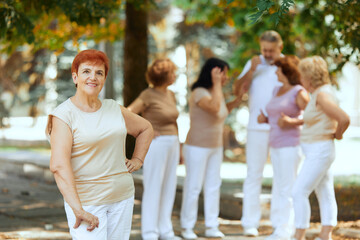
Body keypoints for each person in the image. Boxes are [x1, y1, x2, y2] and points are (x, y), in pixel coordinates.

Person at [45, 49, 153, 240]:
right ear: (75, 77)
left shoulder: (113, 108)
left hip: (122, 197)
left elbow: (145, 128)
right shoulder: (64, 115)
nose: (92, 77)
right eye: (86, 71)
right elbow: (59, 166)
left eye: (99, 73)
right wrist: (77, 209)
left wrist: (137, 159)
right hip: (87, 203)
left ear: (104, 78)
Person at [180, 58, 242, 239]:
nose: (226, 77)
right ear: (214, 73)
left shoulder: (216, 92)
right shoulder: (199, 92)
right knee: (193, 186)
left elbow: (222, 112)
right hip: (197, 147)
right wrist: (216, 84)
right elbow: (215, 108)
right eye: (224, 73)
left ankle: (211, 226)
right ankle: (187, 227)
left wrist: (237, 100)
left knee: (213, 186)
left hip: (215, 147)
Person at [291, 56, 350, 240]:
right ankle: (325, 235)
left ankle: (298, 234)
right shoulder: (319, 93)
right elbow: (315, 119)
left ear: (309, 76)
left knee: (299, 191)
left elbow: (344, 119)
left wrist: (338, 134)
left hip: (320, 150)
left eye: (302, 75)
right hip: (316, 150)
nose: (300, 79)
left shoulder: (323, 95)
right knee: (324, 191)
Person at [233, 30, 284, 236]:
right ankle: (250, 223)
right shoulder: (253, 63)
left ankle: (280, 223)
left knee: (282, 176)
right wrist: (251, 71)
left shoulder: (287, 65)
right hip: (256, 128)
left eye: (271, 50)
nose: (268, 54)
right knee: (254, 174)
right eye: (265, 50)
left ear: (280, 47)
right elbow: (238, 90)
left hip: (282, 128)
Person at [127, 58, 181, 240]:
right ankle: (150, 232)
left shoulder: (171, 94)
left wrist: (179, 147)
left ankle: (166, 231)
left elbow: (174, 121)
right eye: (172, 72)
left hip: (172, 143)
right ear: (164, 76)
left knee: (169, 187)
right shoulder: (147, 94)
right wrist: (148, 128)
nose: (175, 75)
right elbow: (128, 113)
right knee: (153, 187)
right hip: (156, 145)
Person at [257, 56, 309, 240]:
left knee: (287, 187)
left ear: (286, 71)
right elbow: (274, 115)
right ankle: (278, 227)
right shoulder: (276, 90)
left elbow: (312, 115)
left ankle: (285, 230)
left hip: (291, 145)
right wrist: (265, 119)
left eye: (278, 69)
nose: (276, 72)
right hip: (276, 145)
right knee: (278, 187)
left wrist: (291, 121)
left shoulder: (298, 91)